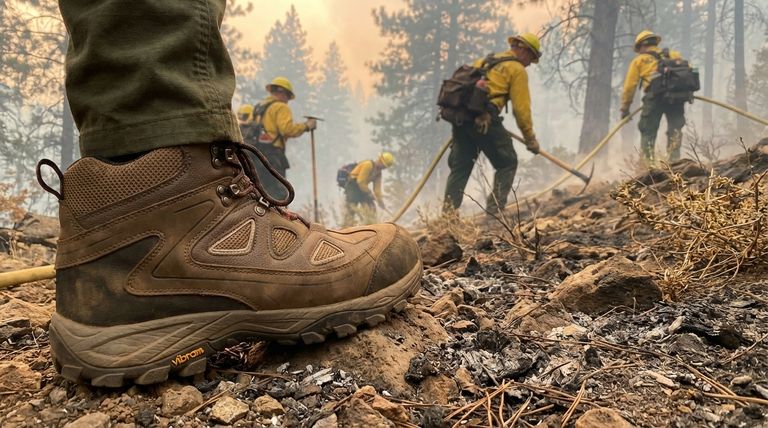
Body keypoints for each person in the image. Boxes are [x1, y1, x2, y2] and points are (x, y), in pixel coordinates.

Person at [42, 0, 421, 388]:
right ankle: (206, 209)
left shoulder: (267, 110)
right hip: (257, 157)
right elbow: (289, 131)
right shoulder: (281, 112)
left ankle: (112, 268)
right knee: (267, 189)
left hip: (111, 226)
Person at [443, 33, 542, 216]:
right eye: (531, 57)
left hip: (462, 119)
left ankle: (447, 217)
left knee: (461, 166)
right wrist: (530, 139)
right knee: (507, 162)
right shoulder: (517, 70)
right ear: (523, 50)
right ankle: (494, 214)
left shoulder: (487, 61)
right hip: (485, 120)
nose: (530, 63)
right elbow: (522, 110)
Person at [620, 30, 686, 166]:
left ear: (641, 46)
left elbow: (629, 87)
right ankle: (675, 164)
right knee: (675, 130)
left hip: (654, 99)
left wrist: (625, 108)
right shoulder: (674, 55)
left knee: (648, 130)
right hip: (676, 98)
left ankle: (647, 166)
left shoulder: (639, 60)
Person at [251, 77, 317, 199]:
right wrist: (306, 126)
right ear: (283, 93)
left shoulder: (260, 107)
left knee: (261, 191)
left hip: (256, 155)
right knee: (278, 194)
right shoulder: (281, 107)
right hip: (273, 156)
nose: (287, 101)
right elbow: (287, 130)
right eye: (287, 96)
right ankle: (278, 216)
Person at [343, 152, 395, 226]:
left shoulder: (378, 173)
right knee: (352, 209)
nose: (383, 168)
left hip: (362, 188)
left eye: (384, 167)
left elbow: (377, 190)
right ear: (379, 160)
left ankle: (371, 226)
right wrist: (369, 193)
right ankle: (346, 227)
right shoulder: (368, 165)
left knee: (371, 208)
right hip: (352, 185)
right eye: (383, 165)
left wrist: (380, 201)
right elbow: (360, 181)